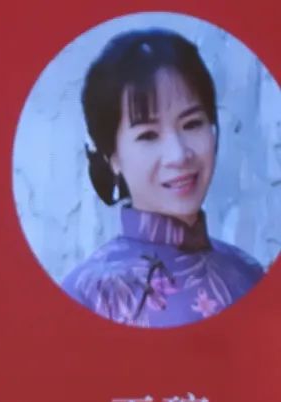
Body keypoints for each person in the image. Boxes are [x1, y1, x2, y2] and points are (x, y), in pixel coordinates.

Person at [62, 28, 264, 328]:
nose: (179, 155)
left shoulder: (249, 273)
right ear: (112, 157)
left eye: (192, 124)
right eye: (148, 135)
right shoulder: (89, 296)